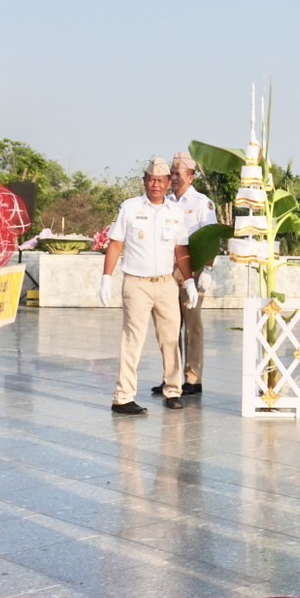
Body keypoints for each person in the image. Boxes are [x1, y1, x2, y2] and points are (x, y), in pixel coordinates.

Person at [100, 157, 199, 414]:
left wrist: (189, 281)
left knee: (170, 339)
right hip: (137, 283)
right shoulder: (130, 207)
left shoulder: (176, 213)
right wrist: (106, 277)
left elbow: (181, 249)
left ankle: (173, 390)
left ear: (168, 183)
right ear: (144, 181)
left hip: (166, 283)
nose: (155, 185)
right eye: (151, 180)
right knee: (133, 340)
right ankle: (123, 397)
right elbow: (116, 244)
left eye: (160, 180)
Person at [149, 150, 216, 400]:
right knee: (170, 325)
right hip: (168, 268)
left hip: (195, 266)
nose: (174, 178)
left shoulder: (201, 203)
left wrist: (208, 269)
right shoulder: (166, 202)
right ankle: (171, 377)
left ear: (192, 177)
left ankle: (193, 378)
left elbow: (211, 236)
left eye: (178, 174)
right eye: (172, 174)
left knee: (192, 325)